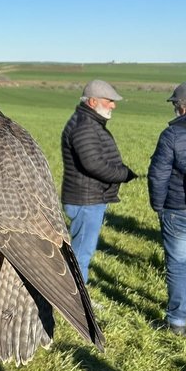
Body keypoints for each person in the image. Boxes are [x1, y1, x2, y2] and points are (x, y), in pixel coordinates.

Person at [60, 79, 137, 282]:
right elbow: (93, 164)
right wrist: (124, 174)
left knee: (81, 252)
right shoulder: (85, 127)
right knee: (80, 255)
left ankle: (77, 297)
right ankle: (77, 303)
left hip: (89, 197)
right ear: (93, 102)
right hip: (86, 201)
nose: (114, 105)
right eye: (109, 100)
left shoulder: (89, 122)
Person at [148, 81, 186, 336]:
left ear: (182, 107)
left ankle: (177, 323)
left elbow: (158, 175)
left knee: (179, 266)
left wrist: (159, 205)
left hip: (178, 210)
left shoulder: (172, 134)